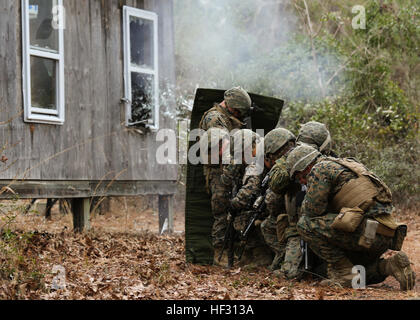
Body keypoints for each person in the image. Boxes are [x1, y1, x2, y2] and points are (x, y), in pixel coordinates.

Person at [286, 144, 416, 290]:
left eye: (300, 178)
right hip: (383, 234)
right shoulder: (347, 164)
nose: (302, 182)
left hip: (365, 233)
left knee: (305, 224)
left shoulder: (319, 169)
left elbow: (312, 212)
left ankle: (345, 276)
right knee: (334, 272)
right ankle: (389, 266)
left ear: (306, 167)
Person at [198, 87, 252, 266]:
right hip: (218, 174)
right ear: (233, 107)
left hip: (228, 171)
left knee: (233, 211)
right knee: (222, 213)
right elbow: (221, 147)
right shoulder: (215, 118)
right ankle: (219, 255)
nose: (240, 115)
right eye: (239, 111)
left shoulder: (226, 118)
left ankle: (234, 252)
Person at [220, 129, 272, 268]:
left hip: (270, 206)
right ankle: (249, 256)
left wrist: (233, 204)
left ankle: (261, 257)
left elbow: (249, 191)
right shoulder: (265, 153)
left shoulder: (256, 163)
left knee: (243, 218)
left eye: (241, 155)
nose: (241, 159)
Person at [260, 128, 297, 271]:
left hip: (299, 219)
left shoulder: (284, 165)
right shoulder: (304, 153)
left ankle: (285, 256)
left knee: (270, 224)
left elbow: (273, 203)